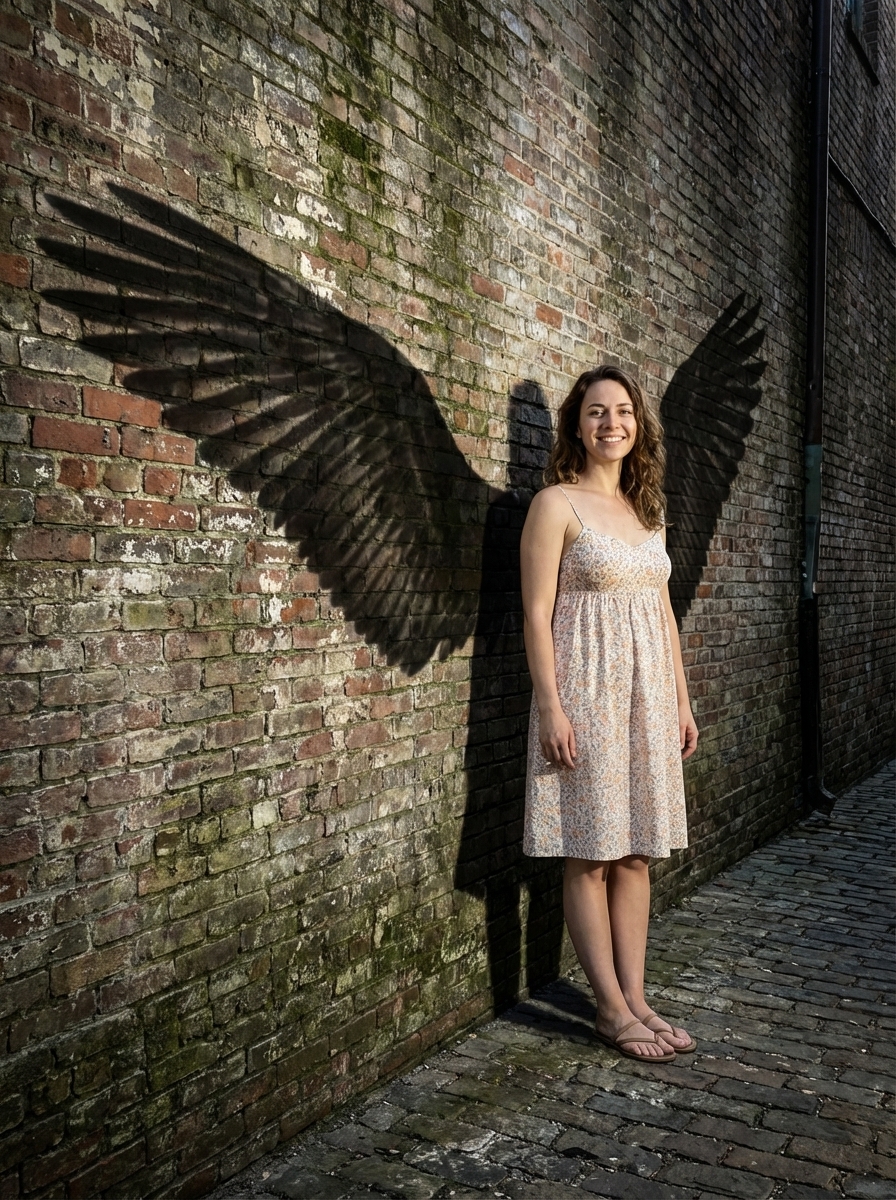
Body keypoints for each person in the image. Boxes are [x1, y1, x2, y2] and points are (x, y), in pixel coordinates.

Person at [520, 364, 698, 1061]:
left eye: (623, 412)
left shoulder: (645, 509)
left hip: (647, 699)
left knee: (635, 852)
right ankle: (609, 1009)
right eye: (597, 412)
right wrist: (552, 707)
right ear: (576, 424)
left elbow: (663, 614)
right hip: (586, 697)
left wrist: (682, 701)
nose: (611, 424)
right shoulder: (554, 506)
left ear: (638, 425)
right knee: (589, 854)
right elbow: (536, 614)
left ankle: (639, 996)